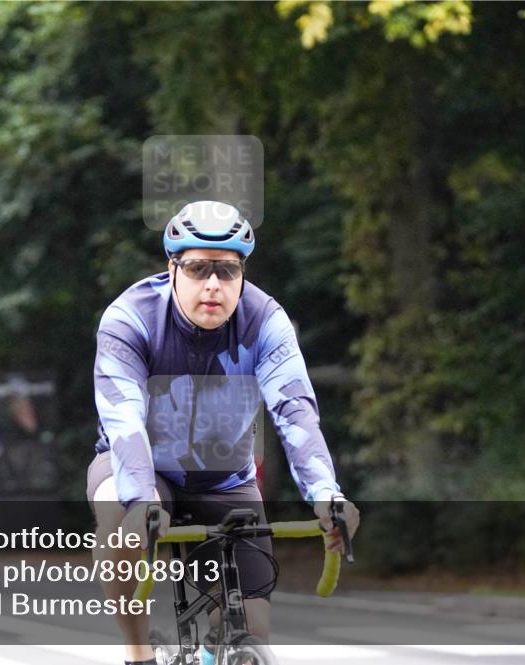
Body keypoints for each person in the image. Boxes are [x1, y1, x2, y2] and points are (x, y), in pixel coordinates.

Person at [87, 201, 361, 665]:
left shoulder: (266, 321)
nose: (213, 285)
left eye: (228, 271)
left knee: (251, 634)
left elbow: (294, 410)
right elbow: (124, 419)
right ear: (171, 268)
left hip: (224, 480)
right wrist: (140, 502)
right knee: (118, 513)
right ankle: (138, 652)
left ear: (242, 274)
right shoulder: (129, 319)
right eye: (197, 269)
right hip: (143, 471)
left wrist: (326, 494)